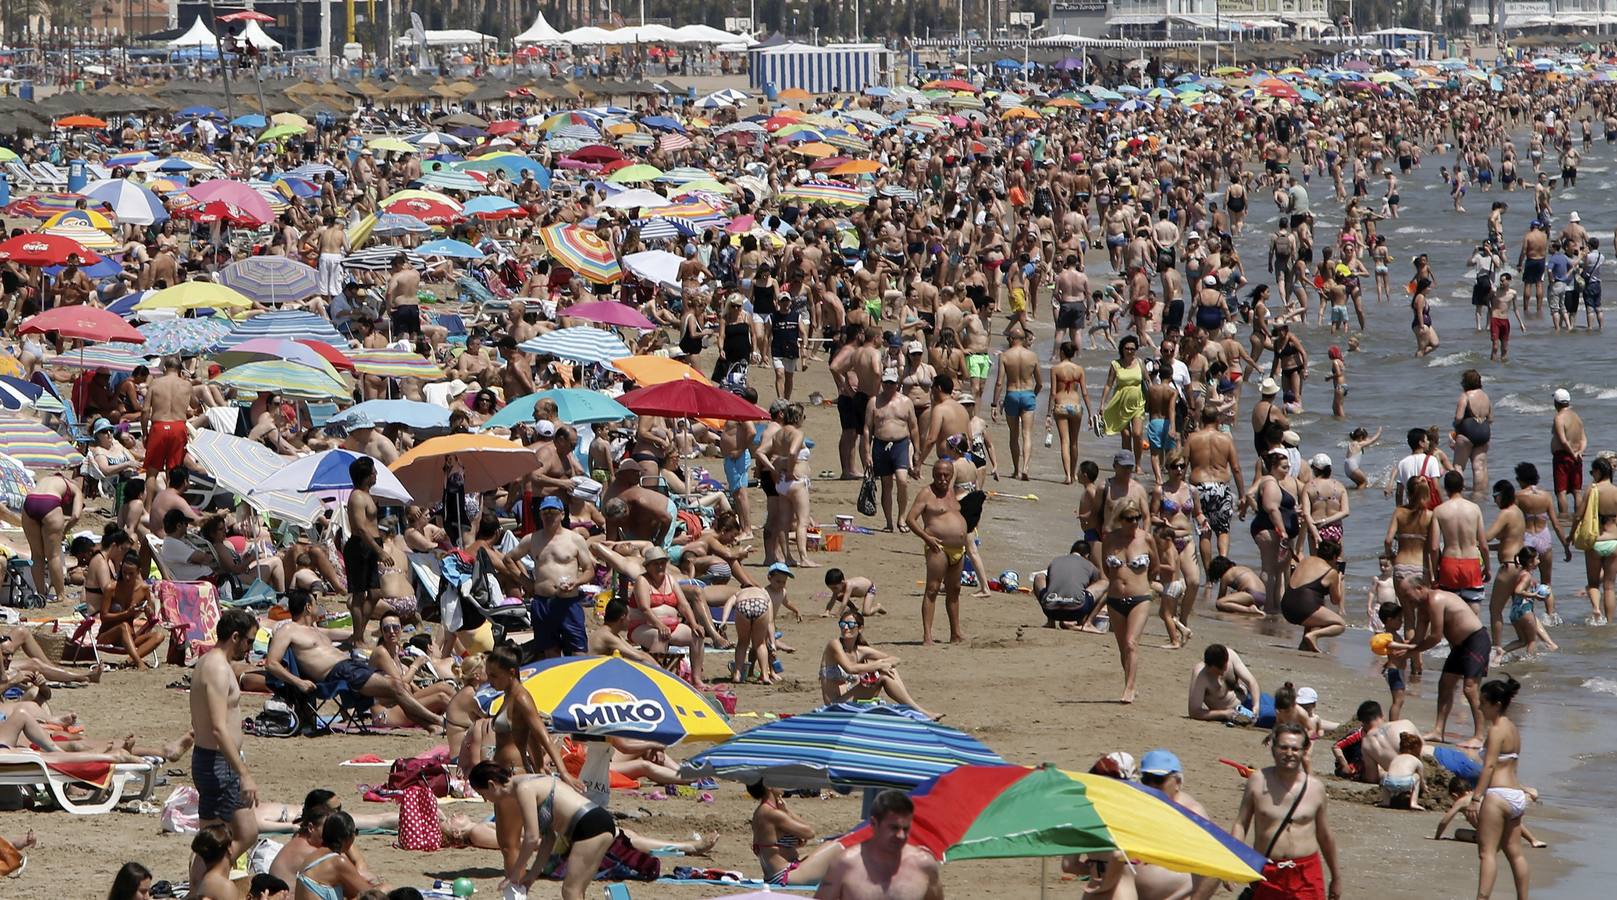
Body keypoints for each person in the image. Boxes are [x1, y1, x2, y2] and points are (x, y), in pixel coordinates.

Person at [264, 591, 445, 730]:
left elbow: (354, 635)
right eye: (315, 603)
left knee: (398, 687)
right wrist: (299, 682)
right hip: (337, 674)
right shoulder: (288, 630)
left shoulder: (316, 630)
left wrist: (372, 630)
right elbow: (271, 663)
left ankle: (431, 726)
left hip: (351, 668)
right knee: (396, 687)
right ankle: (438, 721)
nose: (318, 606)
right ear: (307, 607)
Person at [468, 761, 619, 900]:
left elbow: (532, 838)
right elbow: (548, 839)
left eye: (483, 794)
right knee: (577, 891)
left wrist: (514, 873)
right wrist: (532, 875)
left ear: (491, 785)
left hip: (589, 825)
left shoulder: (523, 789)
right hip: (597, 821)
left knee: (570, 891)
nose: (485, 800)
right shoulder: (530, 781)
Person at [189, 609, 260, 887]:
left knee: (219, 839)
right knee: (235, 835)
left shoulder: (208, 663)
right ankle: (208, 884)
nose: (250, 647)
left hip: (214, 760)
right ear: (235, 637)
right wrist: (243, 773)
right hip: (218, 762)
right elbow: (218, 727)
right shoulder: (217, 668)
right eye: (249, 641)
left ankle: (206, 882)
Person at [1231, 723, 1341, 900]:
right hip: (1268, 872)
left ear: (1304, 751)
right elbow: (1241, 824)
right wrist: (1232, 864)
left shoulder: (1315, 788)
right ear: (1273, 748)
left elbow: (1325, 835)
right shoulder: (1258, 782)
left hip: (1306, 873)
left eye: (1295, 748)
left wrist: (1336, 877)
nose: (1289, 753)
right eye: (1284, 747)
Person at [1404, 575, 1490, 750]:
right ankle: (1438, 730)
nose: (1405, 598)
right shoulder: (1422, 609)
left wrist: (1412, 651)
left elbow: (1435, 637)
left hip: (1476, 641)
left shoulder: (1436, 598)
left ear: (1420, 588)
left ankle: (1479, 736)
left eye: (1407, 594)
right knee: (1445, 685)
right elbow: (1418, 639)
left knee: (1470, 688)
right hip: (1459, 646)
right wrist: (1400, 648)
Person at [813, 790, 944, 900]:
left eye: (906, 828)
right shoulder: (845, 865)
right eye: (894, 828)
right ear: (874, 824)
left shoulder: (924, 865)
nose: (901, 835)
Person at [1469, 677, 1531, 900]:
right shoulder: (1513, 728)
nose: (1479, 707)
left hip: (1498, 795)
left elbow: (1490, 765)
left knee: (1487, 853)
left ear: (1496, 704)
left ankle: (1482, 898)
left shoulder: (1496, 730)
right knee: (1515, 853)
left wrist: (1476, 798)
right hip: (1516, 795)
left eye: (1483, 703)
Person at [512, 495, 595, 658]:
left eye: (553, 512)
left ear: (562, 514)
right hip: (543, 602)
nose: (549, 515)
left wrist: (576, 582)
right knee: (550, 651)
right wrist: (527, 583)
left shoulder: (575, 539)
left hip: (568, 602)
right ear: (540, 514)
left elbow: (589, 570)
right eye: (545, 512)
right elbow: (509, 559)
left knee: (579, 651)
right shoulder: (532, 539)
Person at [819, 610, 934, 718]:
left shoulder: (860, 651)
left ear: (860, 629)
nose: (845, 628)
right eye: (842, 624)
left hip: (851, 698)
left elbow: (895, 659)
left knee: (889, 670)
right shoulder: (834, 645)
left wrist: (883, 664)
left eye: (850, 624)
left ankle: (916, 708)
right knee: (883, 673)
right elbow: (850, 668)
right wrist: (878, 665)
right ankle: (919, 711)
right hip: (835, 705)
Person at [905, 459, 968, 645]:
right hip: (937, 548)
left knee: (954, 590)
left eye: (946, 475)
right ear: (933, 475)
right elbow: (910, 519)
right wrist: (927, 538)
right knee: (932, 589)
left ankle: (955, 633)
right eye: (938, 474)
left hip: (958, 549)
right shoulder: (926, 493)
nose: (942, 478)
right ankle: (927, 636)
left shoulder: (952, 491)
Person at [1101, 498, 1156, 704]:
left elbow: (1156, 567)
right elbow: (1106, 570)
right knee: (1123, 647)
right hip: (1115, 599)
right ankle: (1130, 683)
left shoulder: (1146, 539)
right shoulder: (1110, 540)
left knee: (1131, 643)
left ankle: (1129, 688)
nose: (1134, 522)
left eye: (1137, 518)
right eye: (1129, 518)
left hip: (1140, 598)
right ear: (1120, 519)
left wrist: (1142, 584)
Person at [749, 782, 845, 886]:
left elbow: (777, 844)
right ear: (769, 786)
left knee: (829, 847)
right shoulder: (773, 814)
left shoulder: (760, 811)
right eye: (777, 779)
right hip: (785, 876)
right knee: (839, 843)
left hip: (776, 875)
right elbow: (810, 832)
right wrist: (787, 812)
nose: (783, 782)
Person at [864, 368, 918, 533]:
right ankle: (889, 522)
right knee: (886, 484)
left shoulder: (906, 402)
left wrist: (917, 451)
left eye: (892, 383)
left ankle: (901, 518)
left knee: (902, 480)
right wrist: (866, 453)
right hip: (880, 445)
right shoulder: (874, 402)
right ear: (882, 383)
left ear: (897, 384)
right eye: (886, 383)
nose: (889, 386)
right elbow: (867, 429)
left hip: (900, 444)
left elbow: (914, 427)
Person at [19, 469, 82, 602]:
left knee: (36, 555)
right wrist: (65, 531)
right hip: (50, 503)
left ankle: (41, 595)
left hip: (30, 501)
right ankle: (61, 595)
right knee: (54, 555)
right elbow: (76, 516)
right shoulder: (75, 489)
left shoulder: (46, 480)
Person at [342, 456, 385, 646]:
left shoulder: (366, 495)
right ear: (367, 476)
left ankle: (358, 633)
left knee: (375, 594)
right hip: (361, 546)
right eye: (373, 471)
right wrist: (379, 550)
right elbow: (360, 527)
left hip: (370, 546)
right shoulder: (357, 496)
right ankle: (358, 636)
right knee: (359, 595)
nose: (376, 474)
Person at [294, 811, 384, 899]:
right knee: (385, 889)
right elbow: (371, 895)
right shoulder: (338, 862)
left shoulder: (312, 857)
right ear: (349, 836)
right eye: (355, 832)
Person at [1573, 454, 1617, 625]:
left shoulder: (1592, 490)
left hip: (1595, 541)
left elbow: (1579, 515)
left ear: (1598, 472)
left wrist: (1570, 536)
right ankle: (1610, 622)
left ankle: (1596, 610)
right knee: (1609, 586)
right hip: (1614, 541)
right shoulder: (1615, 491)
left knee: (1593, 584)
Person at [1282, 542, 1347, 652]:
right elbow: (1336, 600)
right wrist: (1339, 579)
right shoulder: (1331, 572)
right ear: (1335, 557)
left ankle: (1305, 643)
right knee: (1340, 625)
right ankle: (1313, 635)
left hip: (1286, 607)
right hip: (1303, 610)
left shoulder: (1305, 560)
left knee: (1316, 604)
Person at [1032, 539, 1106, 631]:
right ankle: (1087, 623)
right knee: (1106, 583)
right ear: (1087, 555)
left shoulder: (1055, 561)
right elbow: (1094, 587)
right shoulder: (1089, 565)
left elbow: (1051, 584)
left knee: (1039, 577)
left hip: (1050, 611)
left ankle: (1050, 622)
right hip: (1077, 610)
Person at [1188, 643, 1266, 725]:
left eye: (1225, 664)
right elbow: (1194, 711)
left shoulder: (1230, 656)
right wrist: (1224, 714)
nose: (1225, 669)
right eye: (1220, 668)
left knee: (1280, 702)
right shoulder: (1201, 676)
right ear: (1209, 666)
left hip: (1253, 698)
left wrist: (1256, 705)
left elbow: (1251, 682)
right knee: (1275, 715)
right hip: (1238, 711)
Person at [1551, 387, 1586, 517]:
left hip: (1563, 457)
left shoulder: (1559, 418)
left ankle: (1564, 518)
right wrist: (1579, 452)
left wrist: (1571, 453)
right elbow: (1584, 438)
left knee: (1561, 492)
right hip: (1577, 456)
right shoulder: (1576, 417)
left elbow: (1563, 441)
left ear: (1556, 403)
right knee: (1577, 491)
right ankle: (1579, 518)